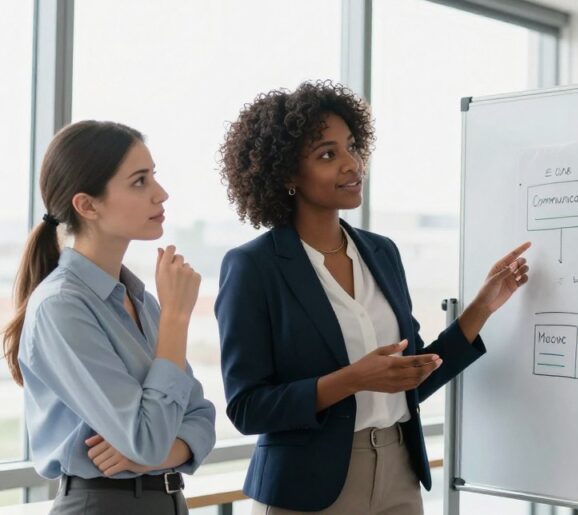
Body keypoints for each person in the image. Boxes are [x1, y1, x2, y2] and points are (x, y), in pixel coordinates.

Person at [216, 80, 530, 514]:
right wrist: (355, 378)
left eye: (351, 147)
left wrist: (483, 306)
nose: (352, 164)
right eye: (328, 155)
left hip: (399, 474)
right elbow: (247, 407)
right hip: (309, 487)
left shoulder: (381, 252)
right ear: (287, 174)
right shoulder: (254, 266)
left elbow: (410, 380)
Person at [3, 120, 216, 514]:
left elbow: (201, 416)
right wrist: (175, 319)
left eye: (154, 176)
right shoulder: (61, 306)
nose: (161, 193)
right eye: (139, 181)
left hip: (168, 502)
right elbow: (147, 438)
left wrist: (161, 453)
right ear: (87, 205)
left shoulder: (141, 300)